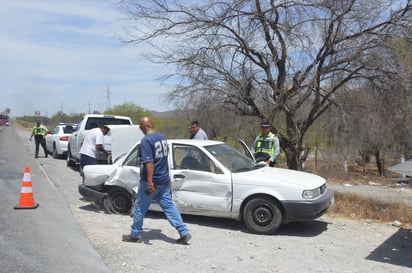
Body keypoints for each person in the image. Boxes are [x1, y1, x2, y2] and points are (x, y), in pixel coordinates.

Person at [122, 116, 191, 244]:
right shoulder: (162, 138)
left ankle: (135, 235)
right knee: (169, 207)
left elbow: (149, 163)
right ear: (152, 125)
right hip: (163, 181)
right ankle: (184, 232)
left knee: (139, 208)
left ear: (142, 127)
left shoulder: (146, 141)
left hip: (151, 183)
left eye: (140, 127)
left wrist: (149, 182)